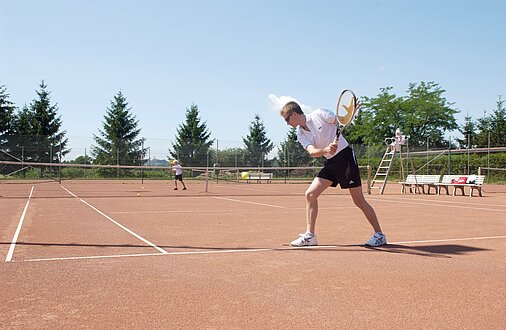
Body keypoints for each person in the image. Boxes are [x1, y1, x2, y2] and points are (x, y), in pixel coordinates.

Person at [280, 101, 386, 247]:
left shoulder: (319, 114)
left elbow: (340, 121)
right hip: (331, 161)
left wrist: (351, 113)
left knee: (358, 200)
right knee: (310, 194)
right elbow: (312, 152)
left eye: (287, 119)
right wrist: (326, 150)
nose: (287, 123)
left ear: (294, 114)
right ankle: (310, 236)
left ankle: (379, 235)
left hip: (345, 157)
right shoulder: (300, 133)